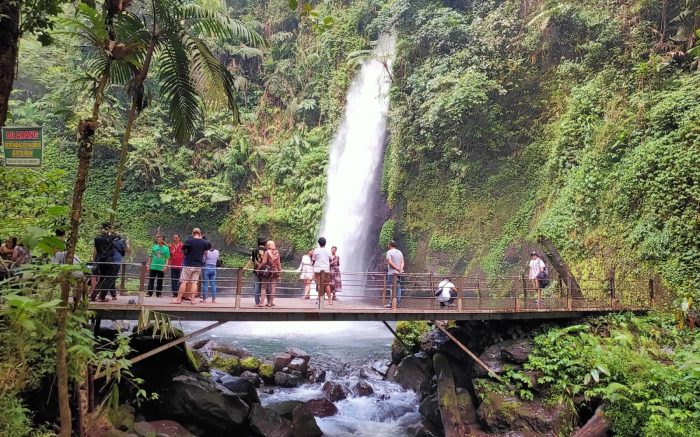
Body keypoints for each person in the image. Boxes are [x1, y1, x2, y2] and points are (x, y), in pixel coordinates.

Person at [171, 228, 210, 305]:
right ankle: (192, 300)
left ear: (192, 233)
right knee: (194, 283)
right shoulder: (205, 242)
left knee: (184, 282)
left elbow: (183, 250)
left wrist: (188, 252)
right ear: (200, 233)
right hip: (198, 265)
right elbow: (206, 253)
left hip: (188, 264)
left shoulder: (189, 241)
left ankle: (178, 299)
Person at [91, 223, 120, 302]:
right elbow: (119, 238)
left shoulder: (96, 239)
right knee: (110, 278)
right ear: (109, 229)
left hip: (100, 260)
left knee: (102, 279)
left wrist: (94, 260)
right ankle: (101, 297)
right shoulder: (112, 237)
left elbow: (96, 251)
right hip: (109, 260)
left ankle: (93, 297)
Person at [246, 237, 268, 307]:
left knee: (257, 286)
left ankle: (257, 302)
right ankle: (267, 302)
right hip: (265, 271)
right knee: (265, 287)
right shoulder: (267, 250)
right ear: (265, 243)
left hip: (256, 270)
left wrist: (258, 266)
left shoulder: (254, 250)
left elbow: (253, 260)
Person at [260, 240, 282, 307]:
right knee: (273, 287)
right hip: (275, 271)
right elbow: (278, 263)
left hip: (268, 271)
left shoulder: (267, 252)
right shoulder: (277, 253)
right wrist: (280, 271)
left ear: (268, 245)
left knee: (263, 287)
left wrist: (258, 268)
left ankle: (261, 303)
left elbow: (263, 262)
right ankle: (270, 303)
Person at [312, 237, 333, 305]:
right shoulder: (328, 251)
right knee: (327, 284)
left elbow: (313, 260)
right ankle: (330, 300)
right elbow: (331, 259)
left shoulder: (316, 250)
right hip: (326, 269)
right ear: (325, 243)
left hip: (318, 269)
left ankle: (320, 300)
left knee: (319, 284)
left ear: (319, 243)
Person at [385, 241, 404, 308]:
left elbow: (389, 262)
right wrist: (400, 269)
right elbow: (402, 262)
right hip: (398, 273)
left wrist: (397, 269)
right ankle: (398, 303)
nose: (387, 246)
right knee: (398, 288)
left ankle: (391, 303)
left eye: (388, 244)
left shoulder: (389, 252)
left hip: (391, 273)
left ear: (390, 245)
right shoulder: (400, 252)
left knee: (391, 288)